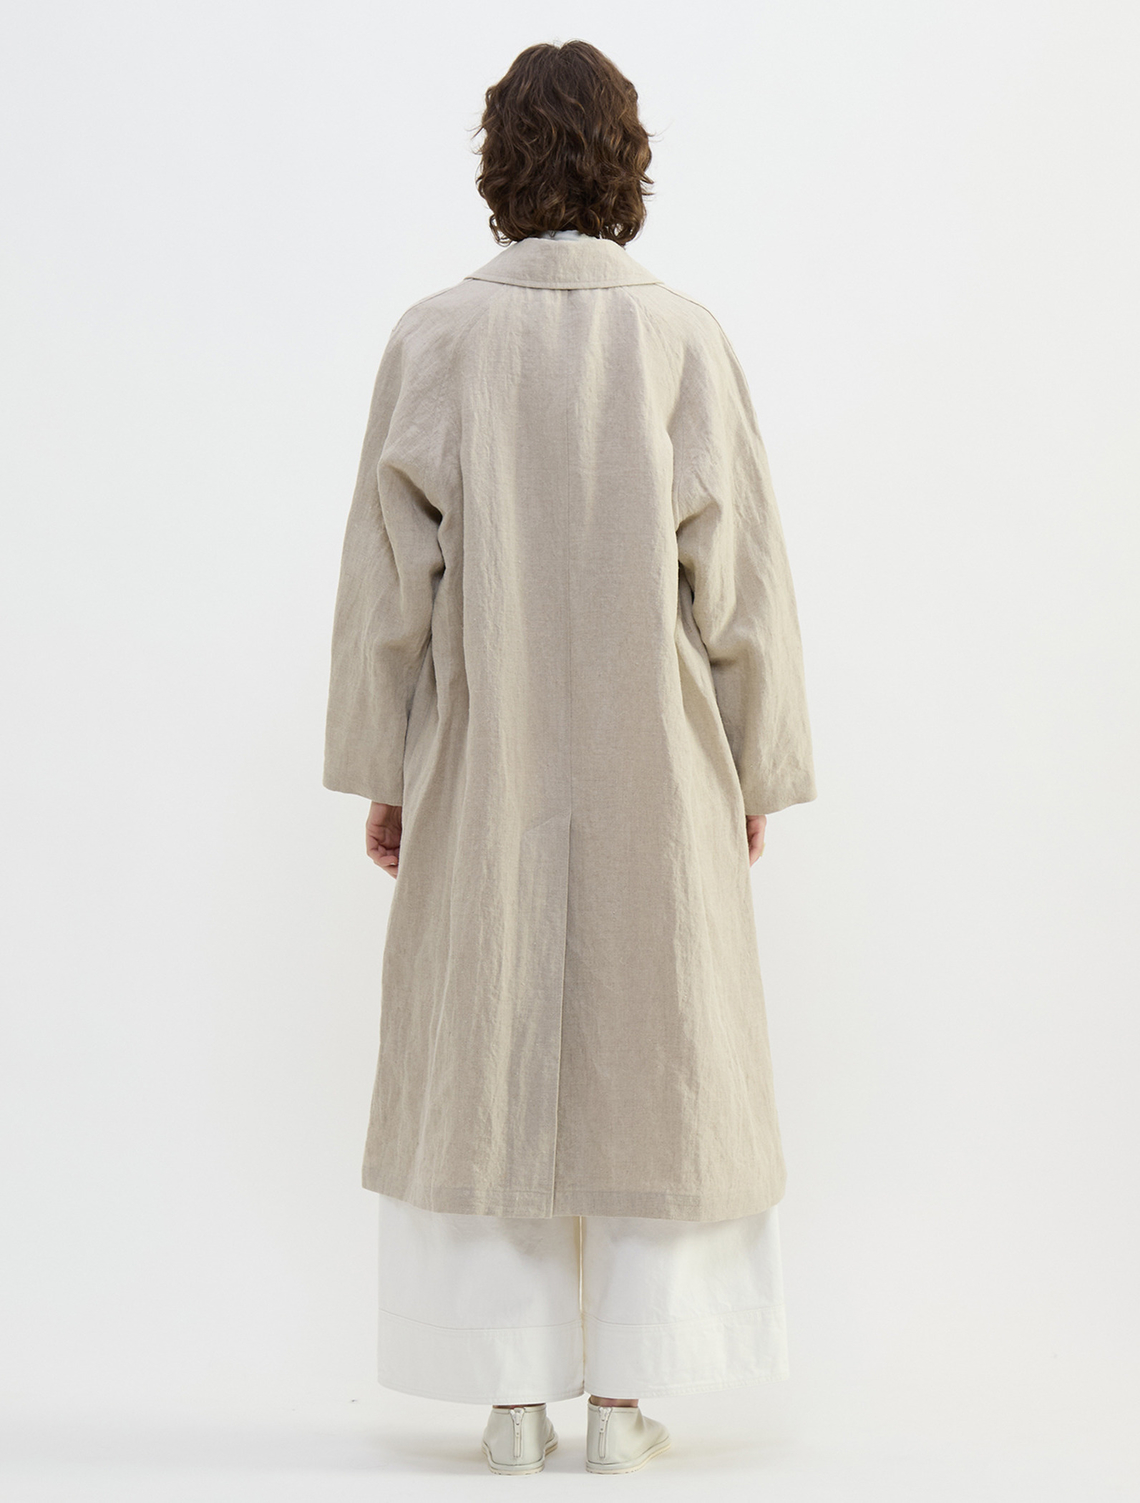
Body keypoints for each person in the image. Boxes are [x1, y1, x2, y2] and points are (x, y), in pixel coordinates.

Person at [323, 39, 817, 1476]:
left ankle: (510, 1401)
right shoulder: (681, 340)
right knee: (660, 1055)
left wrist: (386, 768)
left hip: (486, 755)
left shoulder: (436, 338)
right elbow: (741, 579)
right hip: (659, 762)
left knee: (488, 1042)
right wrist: (756, 765)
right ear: (626, 166)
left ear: (499, 169)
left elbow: (385, 587)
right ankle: (622, 1405)